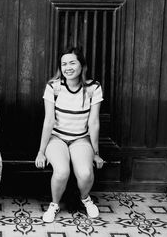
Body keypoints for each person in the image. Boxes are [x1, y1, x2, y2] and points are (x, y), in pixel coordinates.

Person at [35, 46, 105, 222]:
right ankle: (54, 204)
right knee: (61, 172)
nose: (68, 67)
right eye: (64, 64)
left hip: (80, 139)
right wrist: (41, 151)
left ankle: (85, 199)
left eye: (72, 63)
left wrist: (96, 153)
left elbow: (94, 122)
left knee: (85, 173)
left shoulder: (92, 88)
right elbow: (49, 121)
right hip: (57, 138)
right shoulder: (54, 87)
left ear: (82, 65)